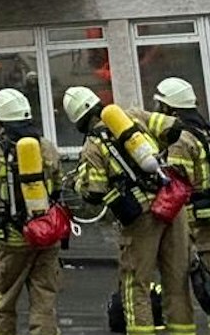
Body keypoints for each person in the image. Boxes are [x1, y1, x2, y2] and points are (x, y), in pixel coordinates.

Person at [64, 85, 192, 335]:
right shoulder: (133, 116)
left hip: (140, 218)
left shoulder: (92, 146)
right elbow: (174, 128)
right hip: (171, 205)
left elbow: (95, 191)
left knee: (136, 286)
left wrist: (79, 182)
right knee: (176, 281)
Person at [150, 77, 210, 335]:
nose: (158, 111)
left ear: (171, 109)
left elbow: (177, 182)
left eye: (161, 106)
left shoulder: (181, 139)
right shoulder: (205, 131)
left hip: (198, 221)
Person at [0, 87, 63, 335]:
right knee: (44, 301)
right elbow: (57, 190)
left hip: (11, 241)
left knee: (3, 300)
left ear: (0, 121)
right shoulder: (47, 147)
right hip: (46, 237)